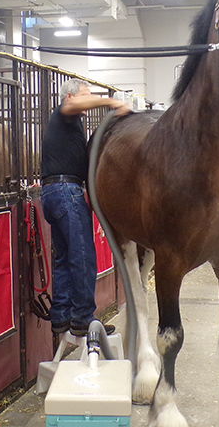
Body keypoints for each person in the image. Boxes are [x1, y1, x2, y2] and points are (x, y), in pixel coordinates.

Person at [40, 78, 130, 337]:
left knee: (64, 258)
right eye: (84, 96)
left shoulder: (68, 124)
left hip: (53, 192)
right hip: (66, 191)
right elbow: (75, 105)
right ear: (69, 97)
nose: (88, 102)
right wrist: (112, 101)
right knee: (81, 256)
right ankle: (82, 317)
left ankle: (61, 315)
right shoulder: (64, 113)